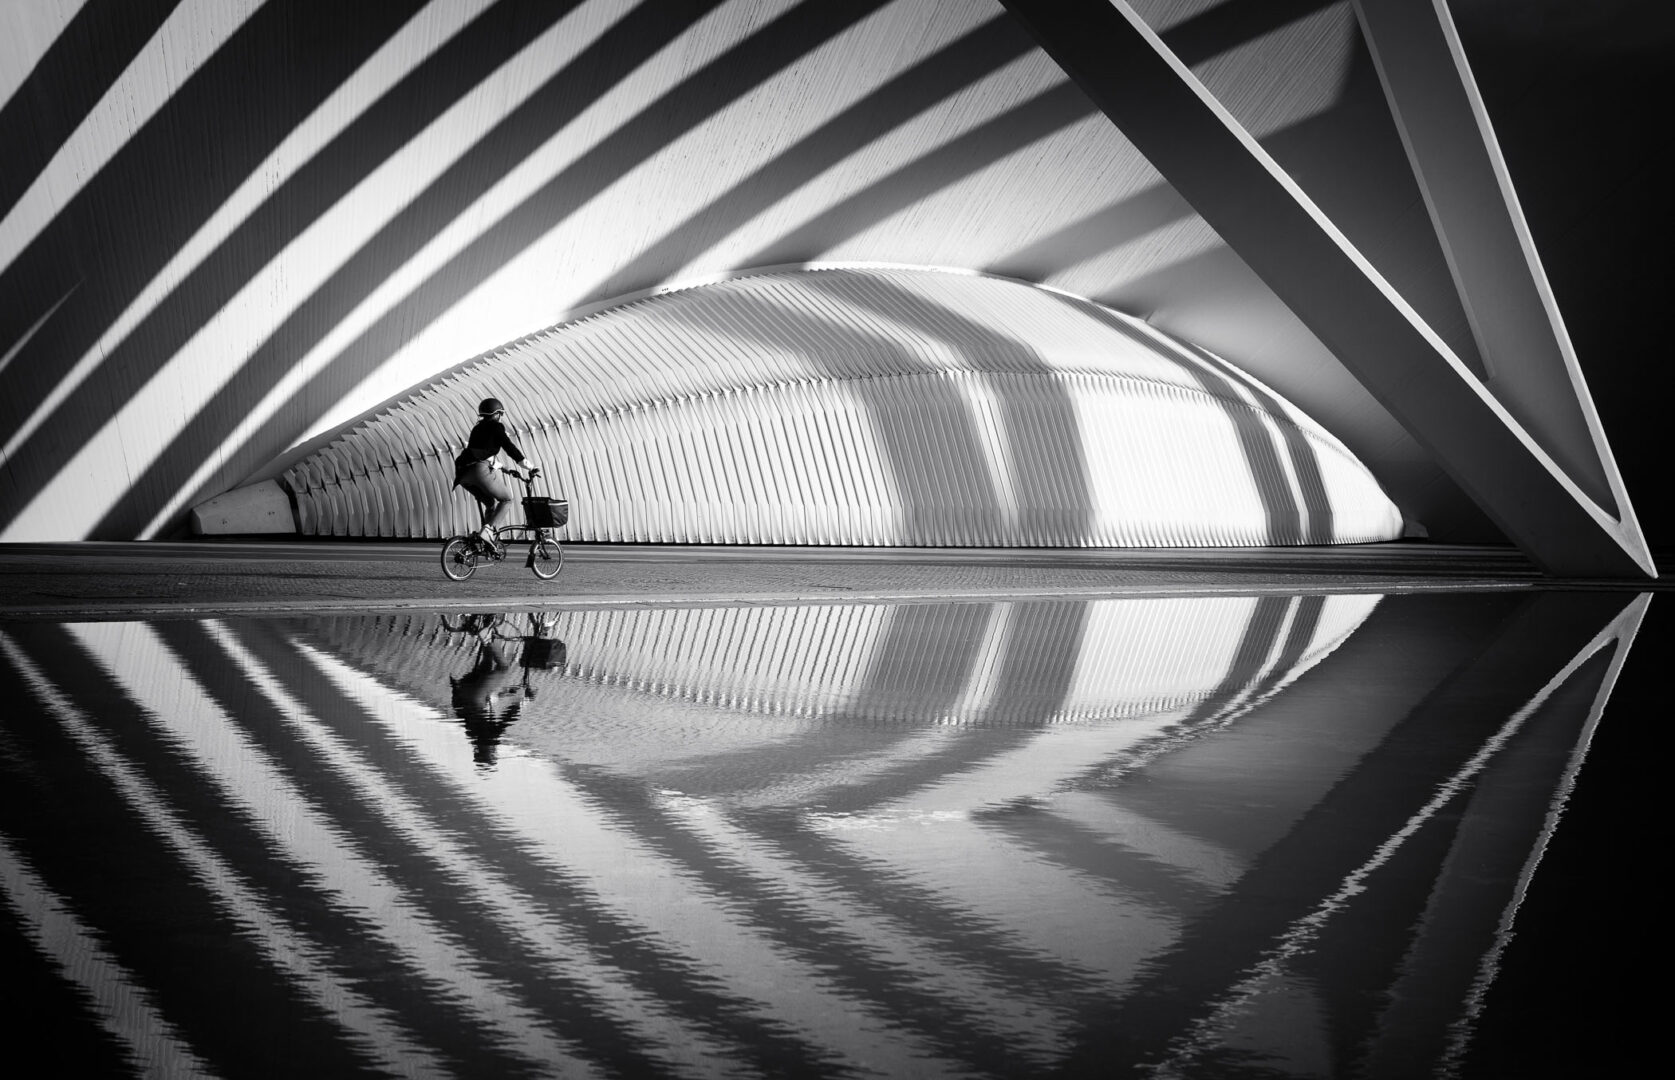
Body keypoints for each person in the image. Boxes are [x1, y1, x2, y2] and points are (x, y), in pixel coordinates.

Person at [454, 397, 538, 550]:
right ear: (497, 413)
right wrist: (528, 466)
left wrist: (505, 469)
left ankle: (487, 540)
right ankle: (488, 532)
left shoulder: (477, 428)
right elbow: (509, 447)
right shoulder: (496, 427)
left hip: (464, 473)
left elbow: (482, 453)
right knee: (507, 499)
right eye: (501, 413)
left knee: (491, 504)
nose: (501, 417)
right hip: (480, 470)